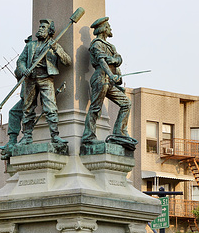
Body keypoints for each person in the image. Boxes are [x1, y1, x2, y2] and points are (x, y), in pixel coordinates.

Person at [17, 19, 71, 145]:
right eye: (40, 26)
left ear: (49, 31)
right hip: (30, 79)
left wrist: (56, 49)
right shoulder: (30, 45)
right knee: (27, 108)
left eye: (43, 27)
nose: (40, 29)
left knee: (50, 107)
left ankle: (55, 136)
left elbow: (67, 62)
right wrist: (24, 69)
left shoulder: (54, 45)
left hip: (45, 78)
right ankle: (26, 137)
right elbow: (20, 61)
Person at [82, 16, 132, 146]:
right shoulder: (97, 44)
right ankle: (88, 136)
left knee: (126, 103)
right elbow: (101, 61)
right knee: (95, 107)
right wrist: (111, 72)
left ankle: (119, 132)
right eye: (108, 26)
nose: (110, 29)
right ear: (103, 28)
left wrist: (114, 64)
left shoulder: (110, 46)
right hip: (101, 78)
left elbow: (119, 59)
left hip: (110, 81)